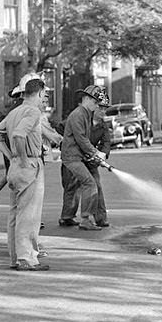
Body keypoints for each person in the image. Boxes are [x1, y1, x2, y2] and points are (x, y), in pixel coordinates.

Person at [0, 77, 50, 271]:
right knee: (29, 215)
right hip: (29, 164)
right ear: (39, 93)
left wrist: (11, 156)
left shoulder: (15, 111)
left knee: (15, 214)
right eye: (45, 96)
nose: (44, 100)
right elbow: (18, 134)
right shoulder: (33, 111)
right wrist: (24, 159)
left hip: (15, 167)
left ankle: (16, 258)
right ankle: (27, 258)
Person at [61, 86, 112, 228]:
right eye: (96, 103)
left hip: (80, 157)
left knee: (91, 184)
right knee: (89, 184)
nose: (98, 107)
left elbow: (102, 142)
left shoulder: (85, 114)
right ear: (88, 99)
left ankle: (95, 218)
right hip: (73, 158)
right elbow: (82, 139)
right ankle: (85, 219)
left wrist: (96, 155)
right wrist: (95, 153)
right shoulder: (79, 115)